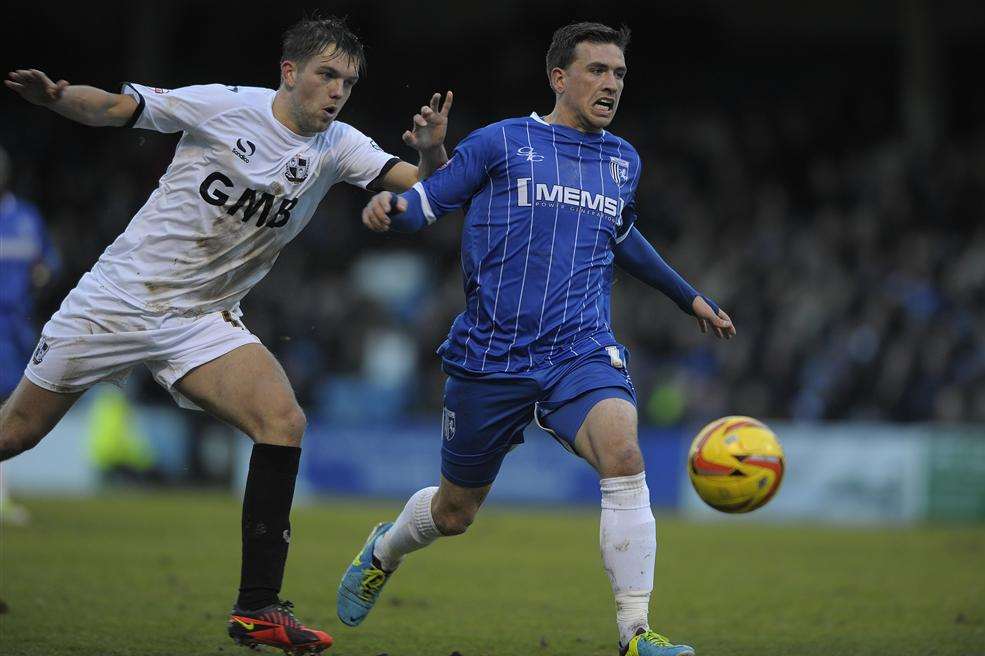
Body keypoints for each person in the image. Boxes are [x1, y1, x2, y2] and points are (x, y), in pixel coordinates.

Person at [2, 16, 452, 654]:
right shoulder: (223, 107)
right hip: (119, 301)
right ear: (289, 72)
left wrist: (431, 150)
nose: (337, 91)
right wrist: (53, 97)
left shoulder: (340, 145)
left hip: (201, 319)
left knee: (283, 422)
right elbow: (115, 109)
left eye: (348, 81)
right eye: (326, 75)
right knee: (15, 434)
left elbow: (429, 186)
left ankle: (257, 610)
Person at [338, 22, 735, 656]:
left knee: (623, 455)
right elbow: (432, 200)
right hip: (490, 356)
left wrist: (689, 297)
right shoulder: (501, 142)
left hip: (580, 348)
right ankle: (384, 551)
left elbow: (623, 236)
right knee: (454, 514)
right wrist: (394, 210)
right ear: (559, 77)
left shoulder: (623, 160)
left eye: (620, 74)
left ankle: (637, 633)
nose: (612, 84)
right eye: (598, 70)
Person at [0, 143, 61, 526]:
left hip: (15, 329)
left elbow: (49, 260)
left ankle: (2, 495)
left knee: (9, 410)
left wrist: (44, 274)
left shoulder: (25, 216)